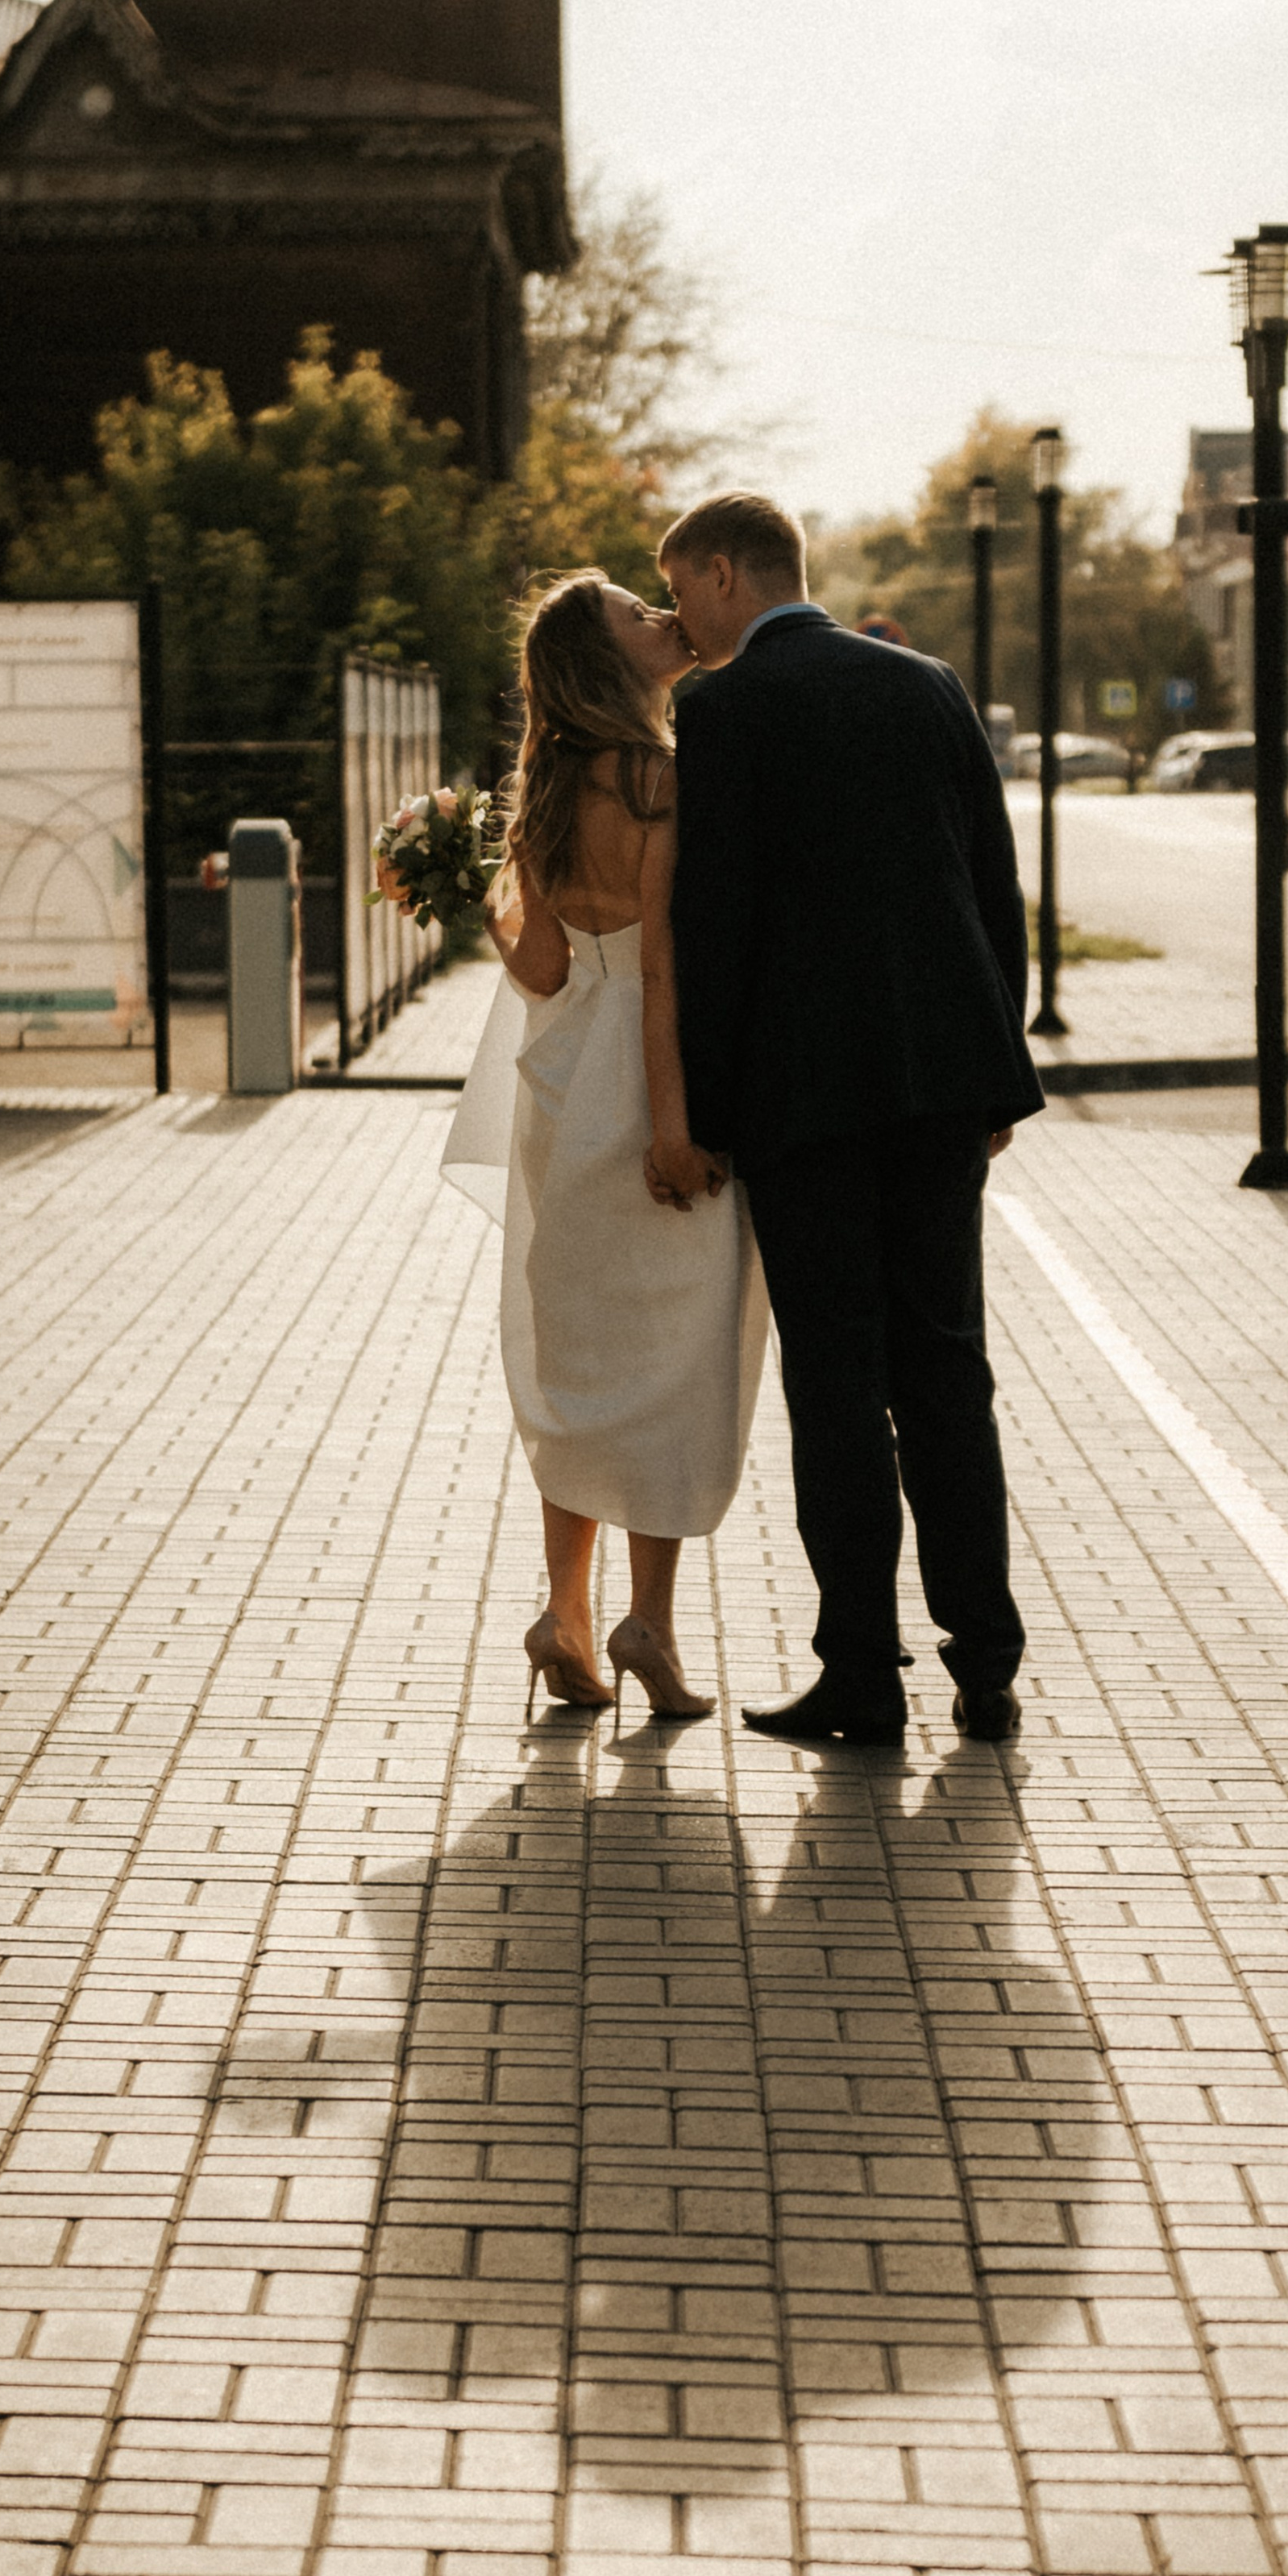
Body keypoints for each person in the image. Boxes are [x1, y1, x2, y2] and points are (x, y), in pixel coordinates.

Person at [660, 491, 1043, 1746]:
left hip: (804, 1099)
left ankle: (862, 1676)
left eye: (682, 592)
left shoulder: (722, 709)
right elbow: (992, 880)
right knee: (948, 1369)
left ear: (725, 573)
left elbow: (713, 922)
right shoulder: (926, 682)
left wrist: (705, 1112)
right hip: (941, 1086)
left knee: (837, 1389)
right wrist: (999, 1067)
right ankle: (985, 1666)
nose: (681, 622)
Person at [440, 570, 767, 1725]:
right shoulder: (652, 775)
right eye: (638, 612)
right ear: (606, 658)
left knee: (577, 1361)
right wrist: (675, 1128)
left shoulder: (547, 786)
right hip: (649, 1074)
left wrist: (477, 892)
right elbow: (663, 961)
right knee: (677, 1351)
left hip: (562, 1089)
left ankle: (563, 1619)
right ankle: (648, 1626)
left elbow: (540, 972)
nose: (660, 617)